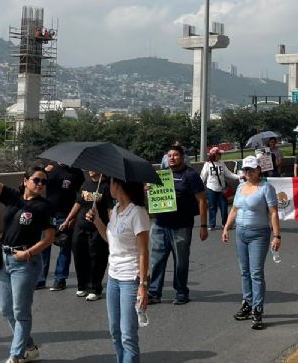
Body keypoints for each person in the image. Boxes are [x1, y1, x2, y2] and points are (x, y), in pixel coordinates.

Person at [0, 155, 55, 363]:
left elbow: (50, 237)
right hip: (4, 259)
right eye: (36, 180)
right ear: (25, 181)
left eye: (43, 181)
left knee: (21, 311)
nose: (40, 184)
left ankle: (16, 355)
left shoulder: (44, 207)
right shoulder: (13, 197)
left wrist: (29, 253)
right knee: (6, 309)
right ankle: (28, 345)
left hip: (25, 263)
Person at [90, 177, 150, 363]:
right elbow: (111, 241)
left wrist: (143, 285)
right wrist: (97, 221)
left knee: (128, 335)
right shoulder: (115, 210)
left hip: (130, 280)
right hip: (113, 278)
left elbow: (143, 251)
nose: (108, 187)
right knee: (115, 331)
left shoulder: (137, 213)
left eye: (111, 183)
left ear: (119, 185)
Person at [222, 155, 281, 331]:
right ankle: (247, 303)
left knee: (256, 272)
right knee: (244, 271)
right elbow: (234, 209)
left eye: (251, 169)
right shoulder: (240, 187)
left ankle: (257, 309)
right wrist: (226, 228)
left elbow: (273, 213)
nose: (248, 172)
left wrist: (277, 236)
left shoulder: (266, 188)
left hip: (259, 234)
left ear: (258, 170)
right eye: (245, 170)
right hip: (241, 232)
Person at [147, 145, 208, 305]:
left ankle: (181, 292)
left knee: (181, 261)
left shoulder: (190, 175)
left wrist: (203, 225)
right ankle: (154, 292)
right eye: (169, 155)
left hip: (181, 226)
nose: (171, 158)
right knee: (157, 260)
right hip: (160, 225)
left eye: (175, 155)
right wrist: (148, 190)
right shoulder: (161, 175)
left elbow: (201, 200)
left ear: (182, 157)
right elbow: (153, 197)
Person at [67, 170, 112, 301]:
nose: (91, 170)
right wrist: (68, 219)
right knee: (79, 256)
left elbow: (110, 208)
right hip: (81, 226)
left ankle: (95, 288)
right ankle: (82, 285)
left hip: (97, 228)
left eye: (94, 167)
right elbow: (78, 203)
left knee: (96, 258)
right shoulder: (85, 184)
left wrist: (112, 225)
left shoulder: (106, 186)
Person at [37, 161, 82, 291]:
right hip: (48, 213)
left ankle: (60, 279)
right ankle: (40, 279)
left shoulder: (76, 172)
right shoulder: (49, 169)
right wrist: (44, 171)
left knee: (64, 247)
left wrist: (73, 217)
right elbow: (33, 182)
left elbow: (80, 195)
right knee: (44, 246)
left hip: (66, 214)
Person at [200, 147, 240, 231]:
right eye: (218, 154)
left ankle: (225, 223)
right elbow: (202, 177)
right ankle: (212, 224)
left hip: (222, 189)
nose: (220, 155)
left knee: (224, 207)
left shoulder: (221, 163)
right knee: (212, 207)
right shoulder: (207, 164)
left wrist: (239, 177)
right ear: (213, 155)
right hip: (211, 189)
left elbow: (228, 174)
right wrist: (197, 186)